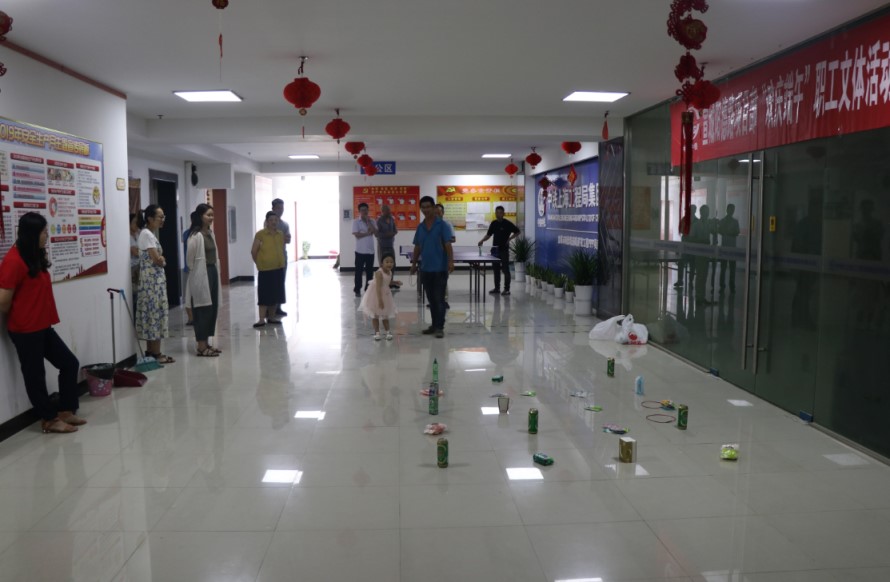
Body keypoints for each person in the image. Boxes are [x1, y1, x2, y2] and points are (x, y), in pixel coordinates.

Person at [0, 212, 86, 434]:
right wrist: (23, 314)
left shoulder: (34, 255)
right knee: (35, 376)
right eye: (44, 232)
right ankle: (48, 419)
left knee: (69, 363)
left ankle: (66, 410)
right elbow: (3, 302)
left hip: (42, 325)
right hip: (25, 330)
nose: (47, 235)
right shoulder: (13, 261)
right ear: (32, 234)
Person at [410, 196, 454, 338]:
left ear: (434, 208)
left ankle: (439, 327)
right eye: (423, 207)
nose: (426, 210)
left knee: (439, 299)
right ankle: (434, 325)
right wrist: (414, 264)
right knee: (431, 300)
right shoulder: (420, 227)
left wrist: (450, 262)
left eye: (428, 207)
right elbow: (417, 246)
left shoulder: (442, 225)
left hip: (440, 269)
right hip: (425, 269)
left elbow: (448, 245)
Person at [136, 204, 175, 363]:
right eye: (160, 216)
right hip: (152, 284)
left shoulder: (149, 234)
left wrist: (161, 258)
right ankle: (157, 354)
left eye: (163, 216)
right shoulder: (147, 234)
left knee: (151, 315)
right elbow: (157, 259)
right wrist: (162, 259)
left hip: (152, 283)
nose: (162, 219)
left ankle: (151, 352)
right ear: (150, 218)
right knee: (155, 315)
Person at [186, 204, 222, 356]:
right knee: (202, 309)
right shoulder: (195, 235)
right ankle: (201, 346)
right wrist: (198, 271)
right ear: (201, 216)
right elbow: (190, 260)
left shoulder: (210, 233)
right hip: (201, 274)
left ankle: (206, 343)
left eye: (212, 215)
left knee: (211, 308)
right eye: (208, 215)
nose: (211, 217)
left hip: (212, 271)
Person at [252, 211, 286, 328]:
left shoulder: (280, 234)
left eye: (275, 220)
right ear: (267, 222)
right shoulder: (260, 234)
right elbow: (254, 251)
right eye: (271, 220)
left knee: (275, 294)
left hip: (278, 268)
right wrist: (259, 263)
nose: (273, 222)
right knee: (264, 295)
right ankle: (261, 319)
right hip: (265, 270)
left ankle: (272, 317)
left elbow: (281, 248)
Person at [358, 251, 403, 340]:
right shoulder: (379, 273)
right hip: (376, 295)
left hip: (386, 294)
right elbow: (378, 287)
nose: (389, 264)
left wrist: (395, 282)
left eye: (391, 262)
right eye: (387, 262)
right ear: (382, 263)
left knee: (385, 314)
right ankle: (377, 332)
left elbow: (386, 282)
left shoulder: (389, 272)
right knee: (375, 315)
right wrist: (380, 300)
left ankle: (388, 332)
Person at [478, 205, 520, 295]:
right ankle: (497, 288)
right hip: (495, 250)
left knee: (505, 270)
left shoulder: (508, 223)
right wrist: (482, 240)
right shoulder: (493, 223)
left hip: (504, 250)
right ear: (495, 214)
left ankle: (507, 289)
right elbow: (488, 235)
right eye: (497, 213)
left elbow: (517, 231)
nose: (498, 214)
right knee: (496, 270)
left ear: (503, 214)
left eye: (500, 213)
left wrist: (509, 239)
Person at [352, 202, 377, 297]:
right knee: (358, 271)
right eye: (362, 210)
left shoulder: (372, 221)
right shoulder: (356, 222)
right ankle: (357, 289)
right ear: (359, 211)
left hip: (370, 251)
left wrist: (368, 222)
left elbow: (375, 232)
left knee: (370, 272)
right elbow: (357, 235)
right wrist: (367, 233)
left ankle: (368, 289)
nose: (364, 212)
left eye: (366, 210)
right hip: (360, 251)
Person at [271, 198, 291, 316]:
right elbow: (270, 238)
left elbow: (288, 240)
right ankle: (270, 308)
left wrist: (280, 237)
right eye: (278, 208)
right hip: (271, 257)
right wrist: (281, 237)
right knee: (272, 283)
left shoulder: (285, 224)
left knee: (281, 282)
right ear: (273, 208)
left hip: (282, 257)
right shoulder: (269, 223)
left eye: (282, 208)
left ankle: (278, 307)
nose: (280, 210)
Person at [436, 203, 456, 308]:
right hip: (434, 257)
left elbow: (453, 239)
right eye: (435, 213)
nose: (437, 215)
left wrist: (443, 239)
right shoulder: (430, 225)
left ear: (443, 213)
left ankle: (444, 301)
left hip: (444, 256)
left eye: (439, 213)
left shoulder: (447, 225)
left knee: (443, 280)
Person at [718, 203, 740, 294]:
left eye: (733, 210)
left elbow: (737, 232)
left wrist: (728, 232)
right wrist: (728, 232)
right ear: (727, 210)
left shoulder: (735, 222)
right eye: (730, 209)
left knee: (732, 268)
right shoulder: (722, 221)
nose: (732, 211)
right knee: (723, 268)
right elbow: (719, 231)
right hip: (725, 247)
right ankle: (722, 286)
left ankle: (731, 286)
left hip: (732, 247)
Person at [181, 226, 193, 325]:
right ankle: (191, 318)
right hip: (188, 269)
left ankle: (194, 317)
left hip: (197, 269)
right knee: (187, 296)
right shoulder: (187, 234)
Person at [129, 212, 141, 314]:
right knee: (135, 294)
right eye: (134, 222)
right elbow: (136, 253)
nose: (136, 224)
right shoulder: (127, 237)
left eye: (137, 222)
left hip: (140, 267)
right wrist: (140, 250)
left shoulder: (138, 234)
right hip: (133, 269)